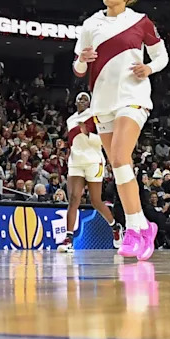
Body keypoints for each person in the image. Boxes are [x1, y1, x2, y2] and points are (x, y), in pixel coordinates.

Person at [74, 0, 169, 261]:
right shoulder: (90, 24)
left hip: (133, 96)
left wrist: (149, 68)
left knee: (118, 157)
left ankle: (134, 227)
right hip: (102, 102)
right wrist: (83, 59)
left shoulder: (141, 21)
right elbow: (78, 68)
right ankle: (141, 227)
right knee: (120, 167)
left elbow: (162, 56)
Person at [59, 92, 118, 252]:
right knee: (74, 199)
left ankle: (115, 228)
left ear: (90, 103)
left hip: (93, 161)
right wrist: (64, 146)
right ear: (75, 102)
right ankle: (68, 239)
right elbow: (73, 142)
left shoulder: (95, 116)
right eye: (80, 98)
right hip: (76, 162)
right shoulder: (70, 120)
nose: (82, 100)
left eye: (86, 99)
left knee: (96, 201)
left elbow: (103, 140)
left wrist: (88, 133)